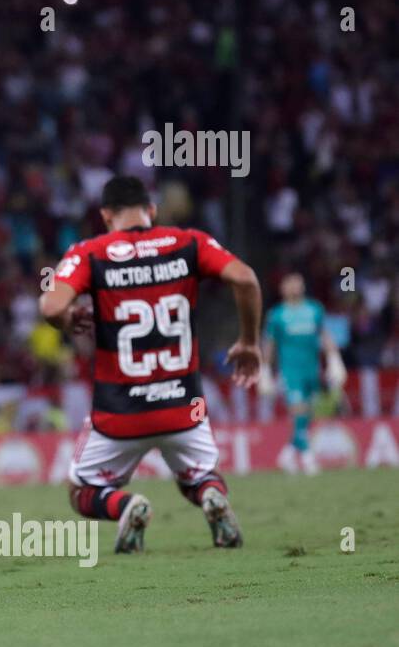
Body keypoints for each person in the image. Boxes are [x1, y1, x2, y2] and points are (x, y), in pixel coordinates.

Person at [39, 176, 262, 553]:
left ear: (106, 215)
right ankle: (210, 496)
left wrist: (67, 318)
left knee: (81, 490)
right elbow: (245, 278)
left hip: (119, 414)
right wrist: (250, 342)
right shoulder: (189, 242)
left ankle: (128, 505)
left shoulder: (90, 252)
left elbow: (50, 306)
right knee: (202, 476)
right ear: (152, 210)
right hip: (183, 406)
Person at [263, 273, 345, 476]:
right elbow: (269, 344)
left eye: (298, 282)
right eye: (290, 283)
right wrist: (265, 371)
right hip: (291, 372)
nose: (295, 287)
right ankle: (308, 459)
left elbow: (325, 335)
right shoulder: (277, 315)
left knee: (306, 416)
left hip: (312, 370)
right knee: (299, 411)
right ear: (282, 288)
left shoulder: (314, 309)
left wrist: (335, 359)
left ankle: (288, 454)